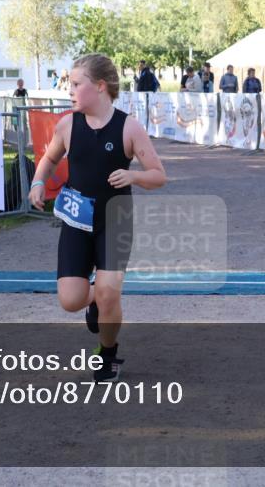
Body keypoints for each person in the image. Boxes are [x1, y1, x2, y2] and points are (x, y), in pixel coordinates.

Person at [28, 54, 166, 381]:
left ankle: (108, 352)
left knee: (109, 293)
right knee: (70, 300)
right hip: (77, 222)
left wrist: (133, 177)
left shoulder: (128, 127)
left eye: (77, 84)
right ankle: (95, 301)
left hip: (114, 221)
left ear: (100, 87)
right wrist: (37, 182)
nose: (70, 90)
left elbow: (159, 175)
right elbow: (48, 160)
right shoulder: (67, 125)